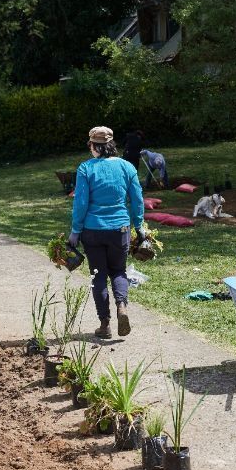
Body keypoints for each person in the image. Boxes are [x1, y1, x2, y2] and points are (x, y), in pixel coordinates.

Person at [69, 126, 145, 339]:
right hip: (120, 229)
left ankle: (105, 324)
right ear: (111, 145)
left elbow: (81, 202)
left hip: (92, 231)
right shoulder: (127, 167)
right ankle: (122, 307)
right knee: (119, 272)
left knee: (98, 275)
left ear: (94, 146)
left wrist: (75, 231)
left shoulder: (85, 168)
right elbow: (137, 199)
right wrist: (139, 226)